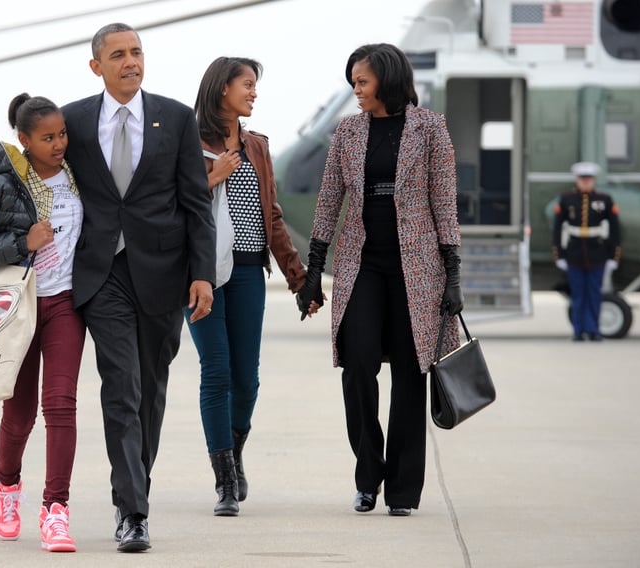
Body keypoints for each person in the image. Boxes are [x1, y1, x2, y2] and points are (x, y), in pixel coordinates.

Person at [0, 24, 216, 553]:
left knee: (150, 389)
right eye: (118, 55)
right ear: (96, 66)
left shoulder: (175, 117)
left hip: (163, 275)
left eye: (137, 52)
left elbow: (195, 203)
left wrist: (201, 273)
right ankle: (133, 512)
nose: (131, 62)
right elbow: (18, 163)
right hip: (100, 278)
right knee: (120, 386)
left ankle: (133, 488)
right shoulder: (72, 120)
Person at [296, 43, 463, 517]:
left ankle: (404, 490)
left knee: (411, 374)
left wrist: (453, 274)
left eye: (362, 82)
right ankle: (368, 474)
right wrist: (313, 274)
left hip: (419, 268)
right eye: (352, 83)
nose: (356, 92)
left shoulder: (431, 128)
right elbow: (329, 201)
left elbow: (444, 202)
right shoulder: (347, 131)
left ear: (387, 80)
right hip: (361, 263)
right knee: (358, 367)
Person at [0, 93, 86, 552]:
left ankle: (56, 510)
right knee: (19, 413)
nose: (58, 144)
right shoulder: (1, 188)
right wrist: (22, 244)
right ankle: (7, 487)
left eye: (63, 134)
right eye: (47, 137)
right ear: (23, 140)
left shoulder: (78, 175)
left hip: (66, 305)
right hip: (19, 309)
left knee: (61, 405)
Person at [188, 56, 306, 516]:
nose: (254, 93)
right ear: (222, 90)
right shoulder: (189, 143)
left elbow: (271, 215)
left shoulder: (257, 146)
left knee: (247, 380)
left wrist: (298, 277)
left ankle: (234, 454)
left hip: (248, 272)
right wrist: (210, 178)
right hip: (201, 274)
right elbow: (171, 205)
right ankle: (223, 481)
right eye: (247, 85)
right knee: (215, 371)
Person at [552, 161, 621, 341]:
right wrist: (558, 255)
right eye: (582, 179)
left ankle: (593, 330)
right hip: (574, 254)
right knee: (577, 296)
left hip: (597, 253)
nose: (585, 182)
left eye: (588, 178)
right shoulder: (567, 199)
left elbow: (615, 229)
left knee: (594, 294)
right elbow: (557, 229)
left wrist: (614, 255)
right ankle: (578, 331)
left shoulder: (604, 200)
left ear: (594, 180)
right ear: (577, 180)